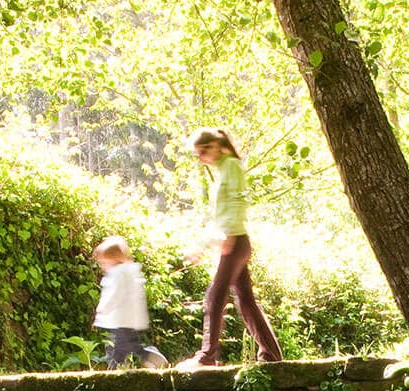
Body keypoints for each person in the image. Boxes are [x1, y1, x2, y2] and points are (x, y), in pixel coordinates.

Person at [177, 127, 282, 369]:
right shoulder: (221, 170)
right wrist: (201, 246)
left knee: (215, 296)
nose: (200, 158)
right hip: (232, 239)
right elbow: (218, 217)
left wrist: (229, 235)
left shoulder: (231, 166)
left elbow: (238, 201)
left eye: (202, 152)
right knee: (246, 300)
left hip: (236, 240)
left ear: (215, 145)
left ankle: (207, 357)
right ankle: (272, 354)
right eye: (197, 154)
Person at [92, 236, 168, 369]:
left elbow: (112, 296)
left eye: (103, 263)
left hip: (119, 321)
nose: (102, 267)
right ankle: (148, 358)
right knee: (130, 347)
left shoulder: (117, 274)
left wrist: (101, 310)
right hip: (129, 321)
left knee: (116, 349)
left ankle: (117, 370)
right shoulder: (130, 271)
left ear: (113, 259)